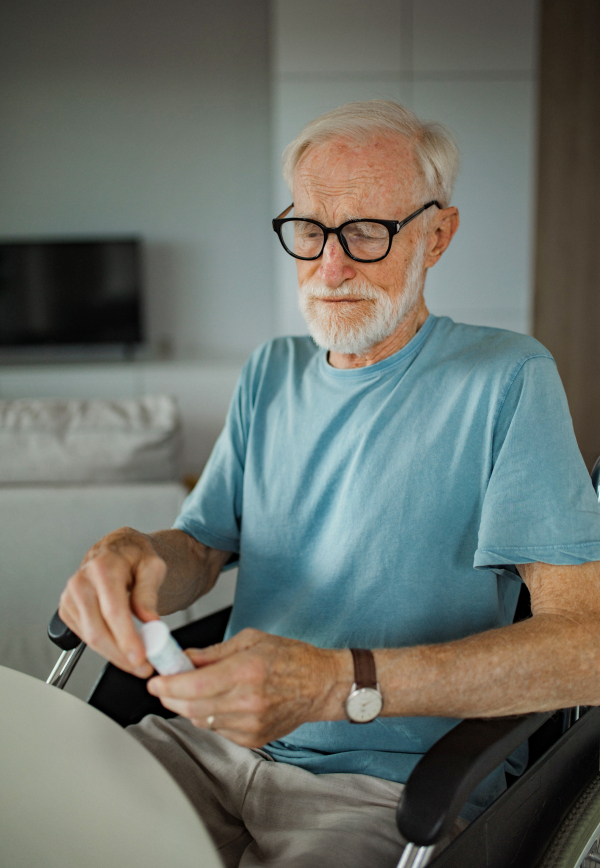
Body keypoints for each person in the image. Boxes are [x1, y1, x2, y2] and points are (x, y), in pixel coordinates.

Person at [59, 100, 600, 868]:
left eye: (368, 232)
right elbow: (201, 548)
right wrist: (131, 552)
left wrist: (336, 684)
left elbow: (587, 649)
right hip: (207, 745)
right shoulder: (269, 373)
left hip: (384, 784)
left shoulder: (508, 378)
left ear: (436, 236)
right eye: (311, 230)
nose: (331, 266)